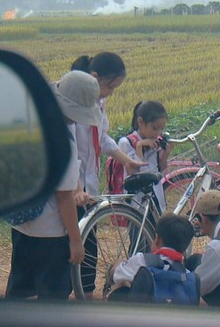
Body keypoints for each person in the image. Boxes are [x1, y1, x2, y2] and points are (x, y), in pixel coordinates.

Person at [5, 70, 98, 300]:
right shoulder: (63, 142)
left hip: (21, 222)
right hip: (50, 233)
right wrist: (76, 242)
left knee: (20, 289)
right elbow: (63, 197)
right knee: (52, 297)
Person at [69, 52, 144, 299]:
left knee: (89, 247)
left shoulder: (99, 105)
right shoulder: (72, 105)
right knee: (71, 246)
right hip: (69, 189)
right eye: (110, 86)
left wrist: (127, 161)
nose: (110, 92)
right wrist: (75, 188)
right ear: (94, 78)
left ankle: (86, 297)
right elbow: (68, 149)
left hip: (87, 189)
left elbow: (102, 139)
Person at [106, 213, 196, 303]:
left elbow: (116, 275)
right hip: (175, 316)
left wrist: (118, 263)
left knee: (121, 285)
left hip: (143, 315)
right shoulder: (187, 275)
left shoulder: (141, 260)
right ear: (185, 249)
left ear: (157, 239)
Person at [119, 100, 175, 215]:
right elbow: (134, 172)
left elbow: (161, 168)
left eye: (161, 129)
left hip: (155, 193)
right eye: (154, 128)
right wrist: (139, 147)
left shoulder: (156, 142)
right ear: (140, 122)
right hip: (137, 198)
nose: (158, 133)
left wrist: (166, 153)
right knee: (138, 228)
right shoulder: (127, 143)